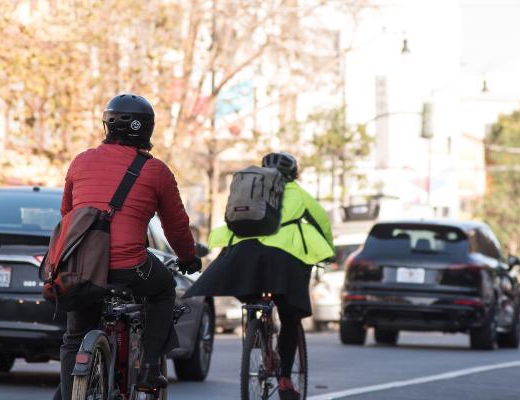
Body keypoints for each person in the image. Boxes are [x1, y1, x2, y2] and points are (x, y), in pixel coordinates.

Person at [54, 93, 202, 400]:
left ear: (107, 126)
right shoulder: (156, 170)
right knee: (162, 290)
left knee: (74, 337)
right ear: (148, 130)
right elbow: (175, 224)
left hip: (82, 266)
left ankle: (71, 392)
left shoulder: (81, 161)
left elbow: (67, 212)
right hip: (130, 267)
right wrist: (188, 258)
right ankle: (149, 368)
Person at [184, 152, 334, 400]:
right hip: (285, 259)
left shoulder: (252, 187)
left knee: (252, 296)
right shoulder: (297, 192)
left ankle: (258, 327)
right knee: (290, 316)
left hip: (243, 256)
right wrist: (328, 252)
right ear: (293, 174)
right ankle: (285, 379)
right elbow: (322, 222)